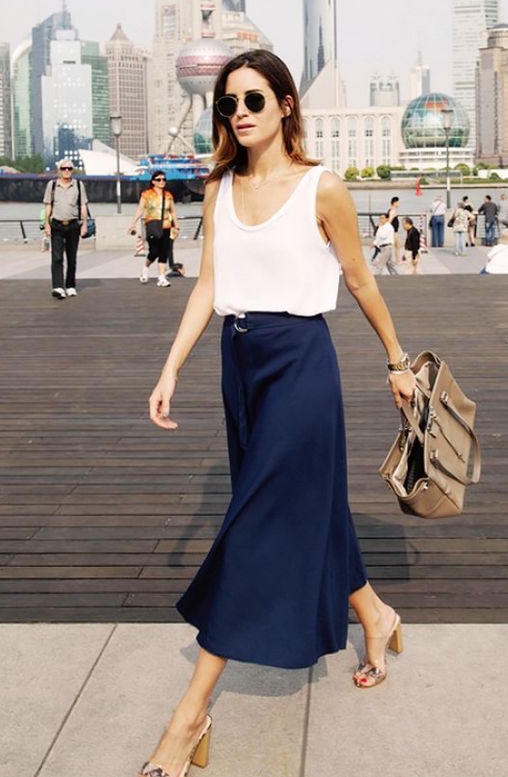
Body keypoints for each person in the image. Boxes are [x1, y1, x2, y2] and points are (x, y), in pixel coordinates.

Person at [140, 50, 416, 777]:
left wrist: (395, 360)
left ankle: (188, 717)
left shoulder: (322, 188)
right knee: (308, 507)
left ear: (286, 104)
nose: (240, 112)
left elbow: (358, 277)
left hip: (300, 365)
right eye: (229, 103)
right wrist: (171, 366)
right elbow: (208, 285)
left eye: (255, 99)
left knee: (259, 520)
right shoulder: (221, 186)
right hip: (241, 366)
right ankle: (375, 615)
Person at [43, 158, 88, 299]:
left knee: (71, 257)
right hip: (56, 224)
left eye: (69, 169)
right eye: (64, 169)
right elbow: (48, 205)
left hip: (73, 224)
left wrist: (85, 224)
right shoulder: (52, 185)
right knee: (56, 258)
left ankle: (70, 285)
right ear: (59, 171)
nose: (67, 171)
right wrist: (46, 224)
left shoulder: (79, 185)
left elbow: (83, 205)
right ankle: (57, 286)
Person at [129, 171, 179, 287]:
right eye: (159, 179)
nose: (162, 182)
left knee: (164, 251)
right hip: (152, 226)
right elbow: (140, 210)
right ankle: (145, 268)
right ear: (153, 182)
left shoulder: (168, 195)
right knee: (154, 251)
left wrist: (176, 226)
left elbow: (173, 211)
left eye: (164, 179)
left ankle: (161, 277)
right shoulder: (146, 195)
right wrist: (133, 224)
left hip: (166, 226)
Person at [386, 196, 402, 264]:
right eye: (398, 202)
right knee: (397, 246)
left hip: (393, 231)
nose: (399, 204)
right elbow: (389, 221)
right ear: (395, 203)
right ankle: (398, 261)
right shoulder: (393, 211)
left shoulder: (390, 210)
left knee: (395, 246)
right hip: (393, 232)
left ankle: (397, 260)